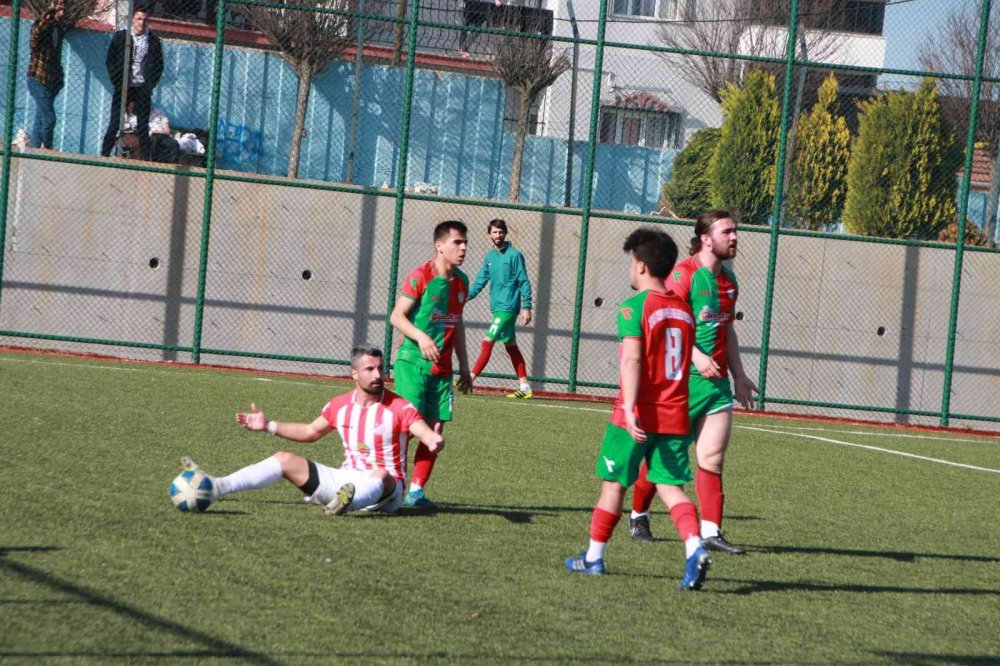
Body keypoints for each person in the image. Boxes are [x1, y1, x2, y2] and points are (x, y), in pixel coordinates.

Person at [564, 228, 713, 591]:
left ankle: (594, 557)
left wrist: (630, 409)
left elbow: (631, 360)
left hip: (638, 413)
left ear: (642, 266)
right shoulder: (685, 311)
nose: (630, 270)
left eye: (631, 263)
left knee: (614, 483)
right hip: (675, 412)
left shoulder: (634, 307)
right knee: (671, 486)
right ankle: (694, 546)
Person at [628, 210, 759, 555]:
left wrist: (740, 375)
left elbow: (727, 329)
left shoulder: (729, 281)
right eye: (727, 231)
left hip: (715, 387)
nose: (734, 237)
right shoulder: (683, 276)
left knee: (712, 457)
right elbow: (668, 322)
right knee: (666, 461)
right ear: (705, 238)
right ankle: (638, 514)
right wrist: (697, 356)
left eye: (736, 231)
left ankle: (712, 531)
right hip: (680, 385)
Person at [181, 346, 444, 515]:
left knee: (383, 474)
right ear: (354, 374)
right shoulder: (339, 406)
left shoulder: (399, 406)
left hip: (389, 493)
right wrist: (268, 426)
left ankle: (348, 502)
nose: (378, 375)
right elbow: (310, 432)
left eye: (380, 368)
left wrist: (432, 438)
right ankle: (217, 487)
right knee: (284, 459)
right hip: (345, 480)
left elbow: (419, 428)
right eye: (370, 369)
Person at [389, 220, 472, 508]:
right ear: (440, 246)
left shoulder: (462, 281)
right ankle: (391, 485)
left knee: (435, 429)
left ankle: (416, 492)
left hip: (443, 368)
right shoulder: (420, 275)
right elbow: (397, 316)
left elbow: (457, 322)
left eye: (464, 243)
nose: (462, 248)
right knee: (408, 426)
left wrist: (464, 366)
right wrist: (422, 337)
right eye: (456, 242)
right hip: (412, 363)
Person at [467, 219, 534, 398]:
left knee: (487, 341)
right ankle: (525, 387)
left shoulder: (515, 255)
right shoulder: (490, 257)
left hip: (508, 308)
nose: (498, 235)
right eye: (494, 232)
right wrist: (466, 296)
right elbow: (481, 279)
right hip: (497, 308)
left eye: (501, 232)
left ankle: (469, 379)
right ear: (489, 234)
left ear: (505, 233)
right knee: (511, 347)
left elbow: (523, 281)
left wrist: (527, 306)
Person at [101, 6, 163, 161]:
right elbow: (110, 61)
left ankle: (145, 161)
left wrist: (150, 85)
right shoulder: (121, 37)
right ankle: (103, 156)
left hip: (142, 88)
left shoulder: (153, 41)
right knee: (115, 123)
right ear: (132, 20)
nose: (141, 23)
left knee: (142, 126)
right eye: (139, 19)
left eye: (145, 19)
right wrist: (118, 81)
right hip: (124, 86)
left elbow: (159, 65)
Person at [26, 0, 67, 149]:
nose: (61, 10)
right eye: (58, 5)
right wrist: (49, 12)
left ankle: (34, 151)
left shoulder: (58, 29)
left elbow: (55, 57)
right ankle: (48, 149)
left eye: (63, 6)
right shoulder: (43, 25)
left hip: (50, 81)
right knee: (49, 119)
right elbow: (36, 36)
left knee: (40, 119)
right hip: (37, 78)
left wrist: (59, 79)